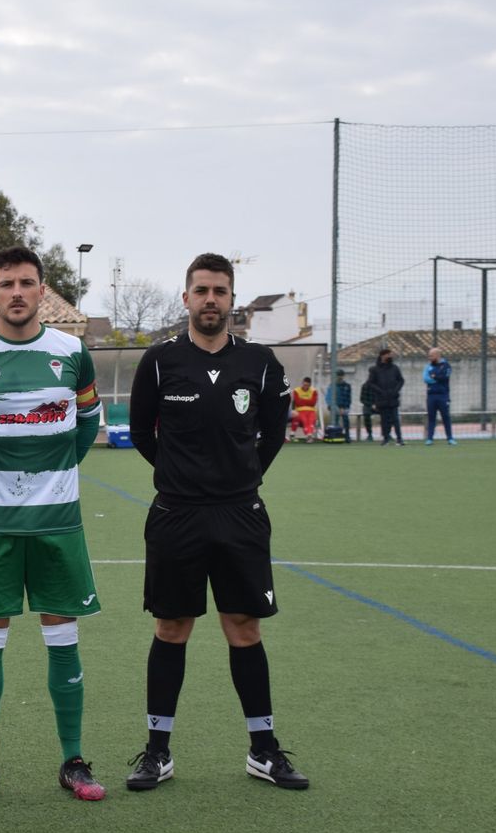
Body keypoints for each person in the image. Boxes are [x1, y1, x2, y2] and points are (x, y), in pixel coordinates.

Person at [124, 252, 309, 794]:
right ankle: (157, 752)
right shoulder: (159, 361)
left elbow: (273, 432)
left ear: (232, 300)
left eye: (220, 292)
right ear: (185, 299)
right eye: (201, 291)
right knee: (171, 628)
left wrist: (240, 477)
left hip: (240, 514)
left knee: (243, 627)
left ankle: (264, 749)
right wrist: (182, 477)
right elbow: (141, 433)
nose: (210, 300)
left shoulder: (260, 363)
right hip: (176, 514)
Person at [0, 245, 106, 804]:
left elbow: (87, 423)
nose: (16, 293)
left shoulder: (73, 353)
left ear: (41, 290)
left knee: (63, 636)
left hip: (58, 523)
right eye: (6, 283)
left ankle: (73, 761)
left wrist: (54, 473)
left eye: (26, 283)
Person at [364, 347, 405, 445]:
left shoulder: (395, 368)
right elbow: (371, 383)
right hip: (381, 399)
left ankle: (399, 439)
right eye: (388, 354)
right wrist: (380, 391)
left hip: (393, 398)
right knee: (384, 420)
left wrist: (396, 390)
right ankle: (386, 438)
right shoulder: (375, 369)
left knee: (395, 419)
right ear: (383, 356)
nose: (390, 356)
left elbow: (401, 380)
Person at [423, 346, 455, 445]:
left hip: (443, 395)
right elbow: (426, 378)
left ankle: (450, 438)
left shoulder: (446, 366)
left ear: (437, 355)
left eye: (431, 356)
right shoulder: (428, 366)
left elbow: (444, 377)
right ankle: (430, 439)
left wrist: (434, 376)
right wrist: (436, 377)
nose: (429, 357)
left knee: (446, 417)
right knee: (431, 417)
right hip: (431, 395)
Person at [288, 375, 320, 442]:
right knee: (304, 420)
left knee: (311, 420)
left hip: (311, 411)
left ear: (310, 385)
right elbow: (297, 402)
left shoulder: (314, 391)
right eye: (304, 385)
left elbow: (313, 403)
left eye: (307, 385)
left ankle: (309, 435)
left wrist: (302, 400)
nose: (306, 387)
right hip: (300, 410)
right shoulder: (296, 390)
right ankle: (308, 435)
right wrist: (308, 401)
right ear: (302, 383)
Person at [328, 369, 353, 443]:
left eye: (341, 375)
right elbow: (330, 397)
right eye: (338, 375)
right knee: (335, 420)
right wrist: (330, 405)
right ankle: (336, 435)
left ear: (343, 376)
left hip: (344, 407)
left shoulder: (347, 386)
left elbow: (348, 398)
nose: (339, 377)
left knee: (346, 421)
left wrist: (345, 407)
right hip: (336, 407)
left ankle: (347, 436)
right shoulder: (332, 385)